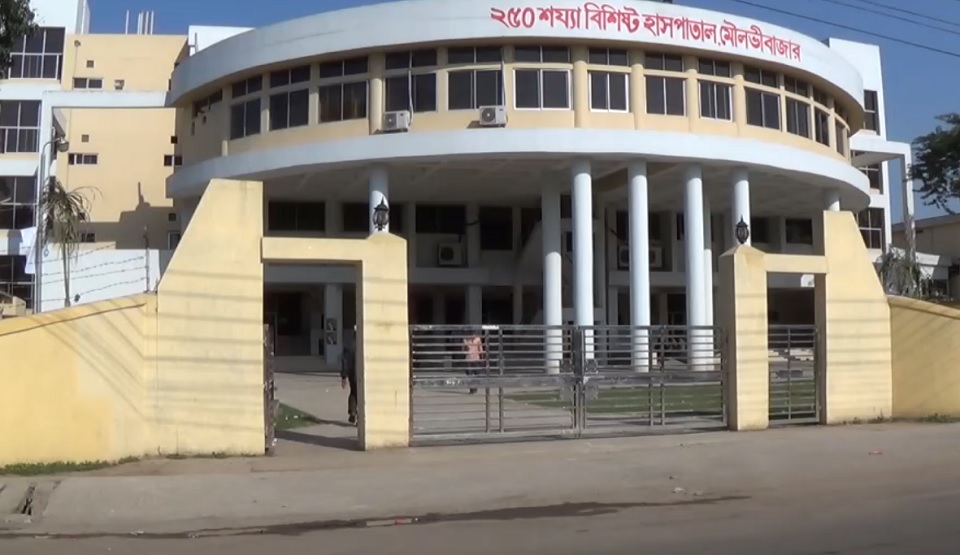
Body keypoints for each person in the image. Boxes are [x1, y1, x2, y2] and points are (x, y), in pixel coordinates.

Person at [340, 326, 358, 425]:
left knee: (353, 392)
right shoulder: (364, 345)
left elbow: (345, 361)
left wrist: (344, 376)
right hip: (361, 373)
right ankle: (359, 416)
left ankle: (352, 411)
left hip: (352, 374)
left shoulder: (349, 345)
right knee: (361, 395)